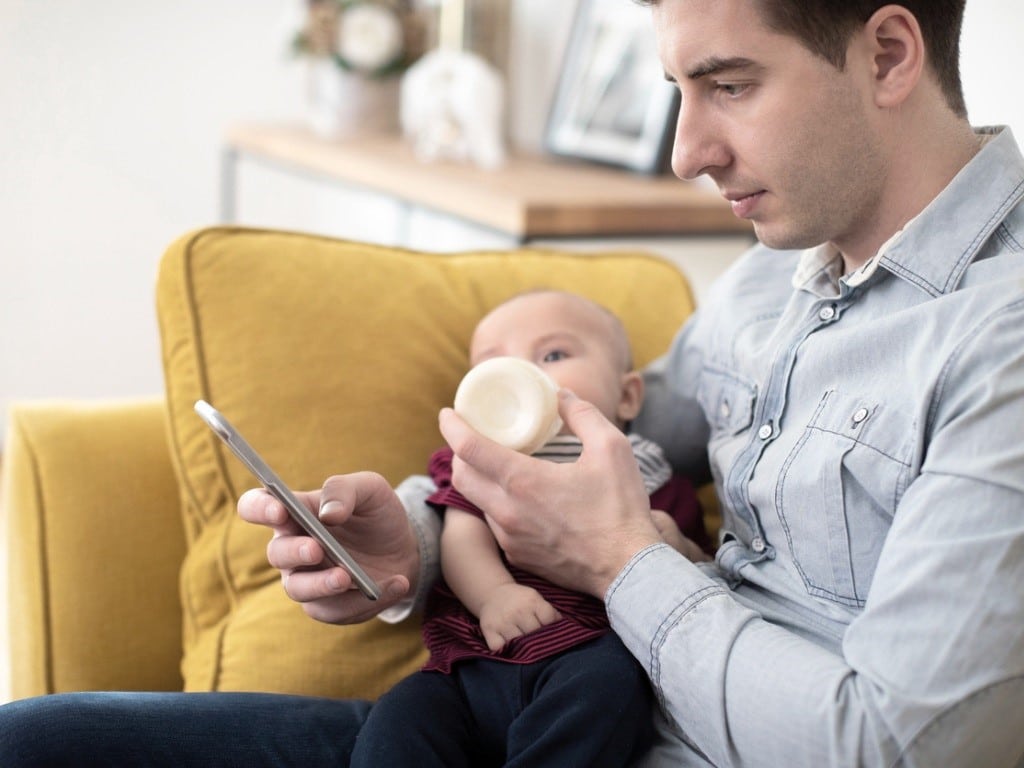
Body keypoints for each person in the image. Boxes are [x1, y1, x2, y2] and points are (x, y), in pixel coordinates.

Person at [2, 1, 1022, 765]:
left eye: (730, 84)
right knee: (39, 743)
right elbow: (590, 427)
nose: (685, 154)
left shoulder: (998, 338)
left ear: (886, 55)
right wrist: (412, 536)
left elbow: (897, 747)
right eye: (679, 90)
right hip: (512, 720)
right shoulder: (769, 279)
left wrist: (623, 562)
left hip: (645, 734)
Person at [350, 290, 710, 766]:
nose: (520, 375)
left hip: (588, 655)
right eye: (492, 364)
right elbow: (463, 533)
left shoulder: (649, 474)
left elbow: (703, 578)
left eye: (553, 355)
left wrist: (678, 547)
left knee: (609, 689)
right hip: (473, 662)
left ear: (627, 396)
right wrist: (493, 595)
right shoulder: (481, 465)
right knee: (400, 718)